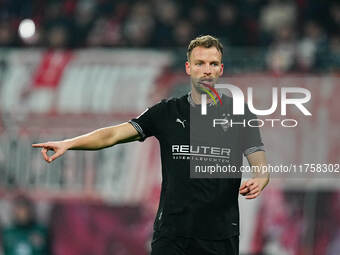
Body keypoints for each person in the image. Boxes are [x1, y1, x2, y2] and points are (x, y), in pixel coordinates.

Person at [32, 35, 269, 255]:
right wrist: (69, 143)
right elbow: (113, 135)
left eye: (213, 64)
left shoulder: (239, 113)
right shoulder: (166, 112)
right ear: (188, 68)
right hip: (173, 234)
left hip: (220, 235)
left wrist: (258, 180)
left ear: (221, 69)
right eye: (199, 63)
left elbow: (260, 166)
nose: (206, 70)